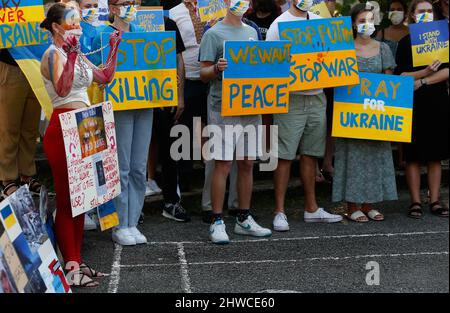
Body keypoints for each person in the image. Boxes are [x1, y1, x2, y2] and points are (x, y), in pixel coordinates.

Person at [40, 2, 121, 287]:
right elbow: (62, 88)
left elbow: (104, 77)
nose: (77, 26)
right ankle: (72, 268)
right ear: (55, 27)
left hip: (85, 125)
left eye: (77, 22)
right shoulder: (52, 54)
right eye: (71, 22)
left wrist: (113, 47)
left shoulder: (74, 52)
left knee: (82, 199)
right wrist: (73, 56)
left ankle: (77, 262)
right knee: (66, 200)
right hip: (63, 126)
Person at [199, 0, 272, 244]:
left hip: (251, 104)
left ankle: (243, 217)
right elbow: (202, 73)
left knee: (248, 162)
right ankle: (216, 220)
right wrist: (218, 69)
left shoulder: (251, 31)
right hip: (223, 106)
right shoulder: (212, 34)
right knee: (223, 164)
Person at [266, 0, 342, 232]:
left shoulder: (320, 22)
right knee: (285, 155)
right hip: (291, 98)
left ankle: (311, 208)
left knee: (311, 153)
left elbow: (332, 55)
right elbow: (271, 64)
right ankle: (279, 211)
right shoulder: (278, 25)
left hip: (318, 96)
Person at [91, 0, 155, 245]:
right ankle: (119, 224)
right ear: (113, 8)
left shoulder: (143, 35)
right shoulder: (102, 35)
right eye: (124, 2)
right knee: (122, 167)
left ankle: (132, 220)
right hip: (119, 107)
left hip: (144, 104)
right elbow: (97, 70)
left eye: (133, 2)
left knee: (139, 167)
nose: (130, 6)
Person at [332, 3, 398, 223]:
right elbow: (336, 80)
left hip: (376, 116)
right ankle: (351, 207)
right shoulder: (344, 48)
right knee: (353, 158)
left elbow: (390, 83)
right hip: (351, 116)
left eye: (370, 20)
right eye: (362, 21)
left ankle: (369, 205)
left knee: (374, 157)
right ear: (353, 24)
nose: (366, 24)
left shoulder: (384, 49)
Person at [395, 0, 449, 219]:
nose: (425, 14)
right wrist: (424, 72)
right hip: (412, 102)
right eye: (421, 11)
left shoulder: (443, 41)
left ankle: (434, 200)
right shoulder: (405, 42)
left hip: (436, 100)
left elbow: (447, 71)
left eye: (429, 11)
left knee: (436, 155)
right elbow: (401, 76)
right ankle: (415, 201)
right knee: (413, 155)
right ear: (413, 15)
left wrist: (424, 81)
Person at [152, 15, 190, 222]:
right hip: (134, 100)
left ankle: (171, 202)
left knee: (170, 152)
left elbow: (178, 58)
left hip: (165, 97)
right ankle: (133, 208)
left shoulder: (167, 23)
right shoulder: (118, 26)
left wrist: (180, 94)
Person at [0, 56, 42, 196]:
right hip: (10, 63)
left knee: (31, 128)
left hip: (35, 64)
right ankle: (7, 179)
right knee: (8, 126)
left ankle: (27, 175)